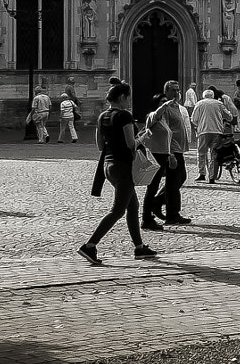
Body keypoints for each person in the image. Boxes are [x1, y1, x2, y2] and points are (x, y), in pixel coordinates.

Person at [80, 81, 154, 264]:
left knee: (133, 206)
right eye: (128, 97)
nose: (129, 101)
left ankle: (139, 248)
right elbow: (131, 145)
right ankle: (90, 245)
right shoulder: (124, 116)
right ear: (122, 97)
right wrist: (143, 136)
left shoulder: (102, 116)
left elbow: (99, 146)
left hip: (108, 166)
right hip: (123, 167)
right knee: (118, 210)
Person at [142, 81, 193, 227]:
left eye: (178, 90)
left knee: (178, 179)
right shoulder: (164, 110)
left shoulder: (176, 106)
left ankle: (160, 205)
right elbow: (162, 128)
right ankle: (169, 212)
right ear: (167, 91)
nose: (177, 93)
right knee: (173, 181)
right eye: (173, 90)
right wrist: (170, 152)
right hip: (169, 150)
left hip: (177, 148)